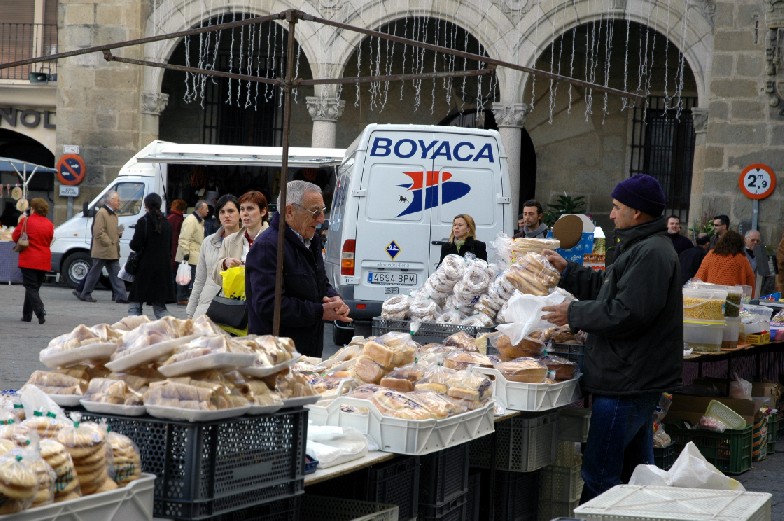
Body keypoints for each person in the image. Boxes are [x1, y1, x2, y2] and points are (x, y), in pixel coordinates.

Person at [540, 173, 682, 504]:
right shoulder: (640, 246)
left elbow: (626, 312)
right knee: (638, 471)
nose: (613, 214)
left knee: (600, 473)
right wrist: (568, 271)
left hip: (626, 381)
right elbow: (610, 290)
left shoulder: (651, 253)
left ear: (638, 212)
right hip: (631, 377)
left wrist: (573, 314)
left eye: (618, 207)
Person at [245, 180, 351, 357]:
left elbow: (320, 282)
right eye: (315, 212)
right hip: (276, 354)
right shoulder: (268, 246)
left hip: (308, 350)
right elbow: (268, 305)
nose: (320, 219)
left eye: (322, 211)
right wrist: (319, 312)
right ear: (289, 211)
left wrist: (334, 299)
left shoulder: (312, 240)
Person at [186, 194, 240, 319]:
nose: (226, 215)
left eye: (231, 211)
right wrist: (190, 312)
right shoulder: (208, 242)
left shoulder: (248, 242)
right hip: (206, 308)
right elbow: (199, 280)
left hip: (236, 310)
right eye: (222, 212)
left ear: (240, 214)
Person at [127, 193, 175, 318]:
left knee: (135, 303)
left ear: (146, 205)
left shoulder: (143, 222)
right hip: (162, 269)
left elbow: (136, 245)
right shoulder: (167, 224)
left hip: (145, 268)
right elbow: (169, 246)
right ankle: (169, 328)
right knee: (159, 306)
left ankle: (136, 330)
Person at [77, 191, 128, 303]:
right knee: (95, 273)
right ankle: (85, 294)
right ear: (111, 200)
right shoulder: (102, 213)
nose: (119, 202)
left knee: (116, 273)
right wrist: (109, 242)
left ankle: (121, 296)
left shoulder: (113, 214)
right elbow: (98, 232)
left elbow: (108, 231)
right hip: (103, 249)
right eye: (117, 200)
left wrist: (118, 233)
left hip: (111, 249)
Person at [213, 191, 269, 286]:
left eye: (250, 208)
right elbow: (216, 279)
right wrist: (225, 264)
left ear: (263, 211)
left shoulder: (276, 239)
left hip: (264, 298)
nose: (245, 213)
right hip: (235, 298)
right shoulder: (229, 241)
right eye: (242, 209)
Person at [13, 198, 54, 324]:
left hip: (29, 258)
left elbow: (15, 236)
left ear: (33, 209)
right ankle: (27, 315)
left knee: (30, 288)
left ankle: (40, 311)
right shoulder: (49, 224)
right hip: (44, 259)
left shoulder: (27, 221)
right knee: (33, 288)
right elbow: (49, 239)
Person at [695, 230, 756, 297]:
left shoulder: (711, 254)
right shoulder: (741, 258)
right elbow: (750, 281)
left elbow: (699, 277)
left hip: (711, 298)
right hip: (732, 299)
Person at [175, 200, 208, 305]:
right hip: (190, 254)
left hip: (194, 253)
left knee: (189, 276)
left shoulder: (198, 220)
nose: (207, 211)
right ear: (200, 209)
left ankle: (185, 297)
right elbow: (184, 237)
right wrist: (185, 253)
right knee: (186, 276)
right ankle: (182, 298)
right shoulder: (191, 220)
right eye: (206, 209)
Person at [744, 230, 772, 297]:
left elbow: (769, 278)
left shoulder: (763, 255)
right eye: (752, 240)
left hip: (757, 292)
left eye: (757, 241)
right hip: (743, 289)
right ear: (745, 240)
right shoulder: (740, 254)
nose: (755, 242)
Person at [167, 198, 188, 286]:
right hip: (176, 249)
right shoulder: (180, 219)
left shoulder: (169, 218)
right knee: (175, 272)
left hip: (169, 249)